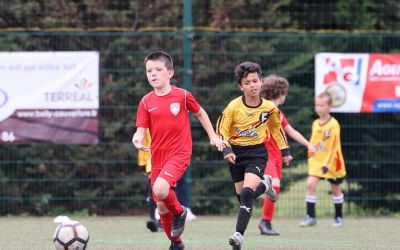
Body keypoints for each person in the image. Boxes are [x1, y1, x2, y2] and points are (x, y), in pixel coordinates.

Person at [132, 51, 225, 250]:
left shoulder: (183, 96)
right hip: (157, 156)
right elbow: (140, 130)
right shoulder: (146, 102)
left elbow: (200, 113)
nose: (153, 74)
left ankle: (180, 211)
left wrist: (213, 136)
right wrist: (137, 139)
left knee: (160, 189)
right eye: (149, 70)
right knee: (161, 206)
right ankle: (176, 244)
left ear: (170, 73)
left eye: (158, 69)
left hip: (179, 153)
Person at [216, 61, 292, 250]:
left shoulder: (269, 108)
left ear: (261, 81)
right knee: (242, 199)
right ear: (240, 86)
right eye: (247, 82)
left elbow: (277, 130)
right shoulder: (233, 107)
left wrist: (285, 151)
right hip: (236, 153)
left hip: (257, 153)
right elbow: (221, 129)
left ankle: (238, 235)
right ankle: (265, 184)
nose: (253, 85)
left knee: (248, 193)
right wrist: (226, 149)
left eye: (255, 81)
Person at [258, 75, 316, 236]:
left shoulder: (279, 113)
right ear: (280, 92)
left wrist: (308, 144)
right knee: (273, 185)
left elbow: (290, 131)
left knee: (275, 188)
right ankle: (265, 222)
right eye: (285, 92)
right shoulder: (264, 109)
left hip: (277, 156)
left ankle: (265, 221)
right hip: (265, 154)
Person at [298, 92, 346, 228]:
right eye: (317, 105)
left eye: (322, 105)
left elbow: (334, 147)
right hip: (317, 163)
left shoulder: (333, 124)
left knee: (336, 190)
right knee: (310, 185)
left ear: (329, 107)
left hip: (332, 164)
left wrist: (327, 164)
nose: (319, 108)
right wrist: (310, 154)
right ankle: (311, 217)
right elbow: (313, 143)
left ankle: (338, 217)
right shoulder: (315, 123)